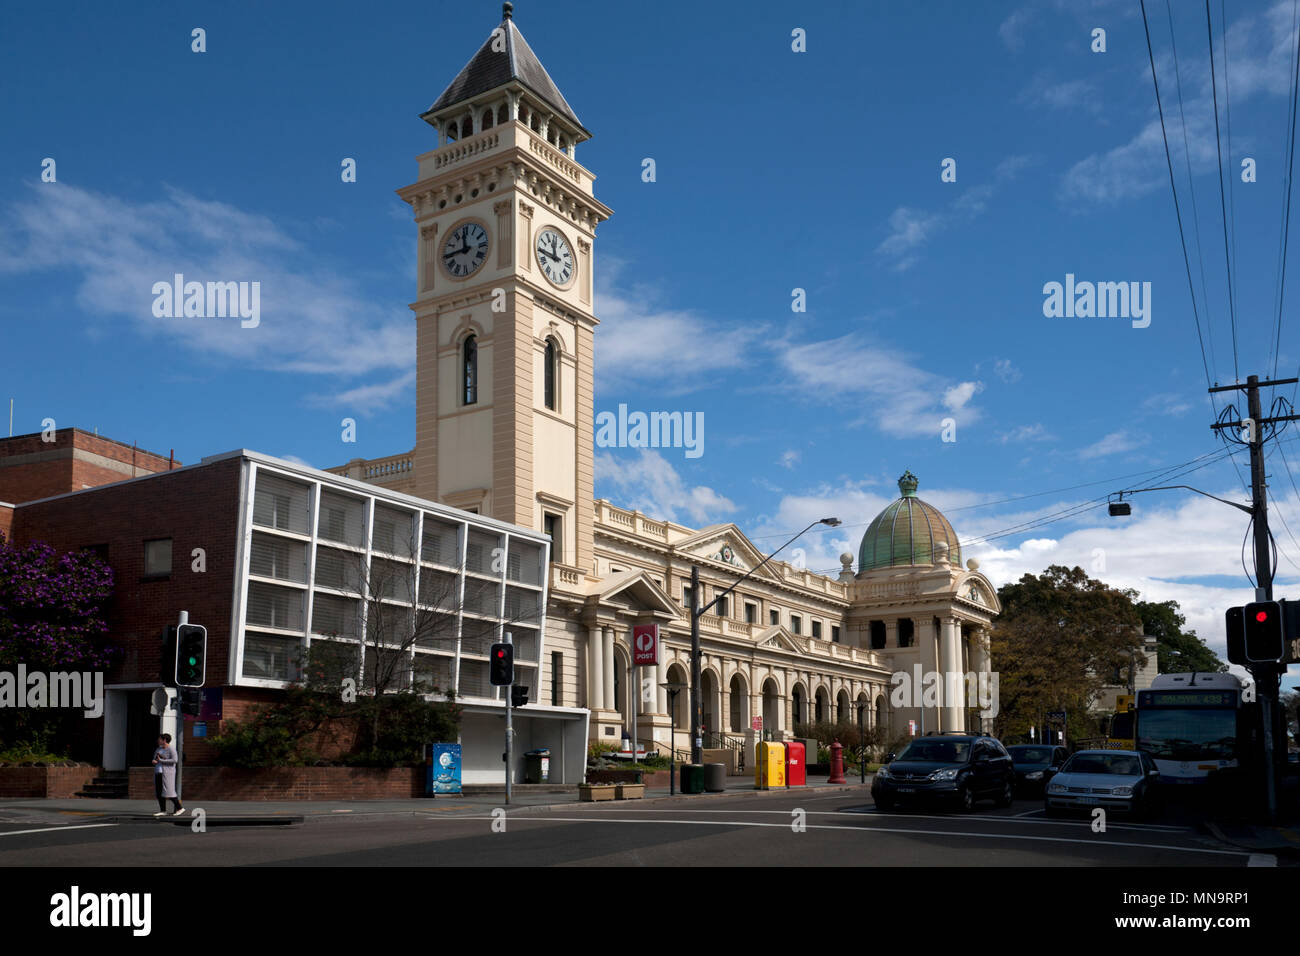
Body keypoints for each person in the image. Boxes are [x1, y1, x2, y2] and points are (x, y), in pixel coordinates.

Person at [152, 733, 186, 817]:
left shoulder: (171, 749)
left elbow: (175, 760)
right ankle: (163, 810)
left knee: (169, 792)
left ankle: (180, 808)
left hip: (168, 774)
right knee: (159, 793)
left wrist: (162, 760)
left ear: (164, 740)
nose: (158, 740)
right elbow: (155, 758)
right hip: (158, 772)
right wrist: (154, 761)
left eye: (160, 739)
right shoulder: (158, 749)